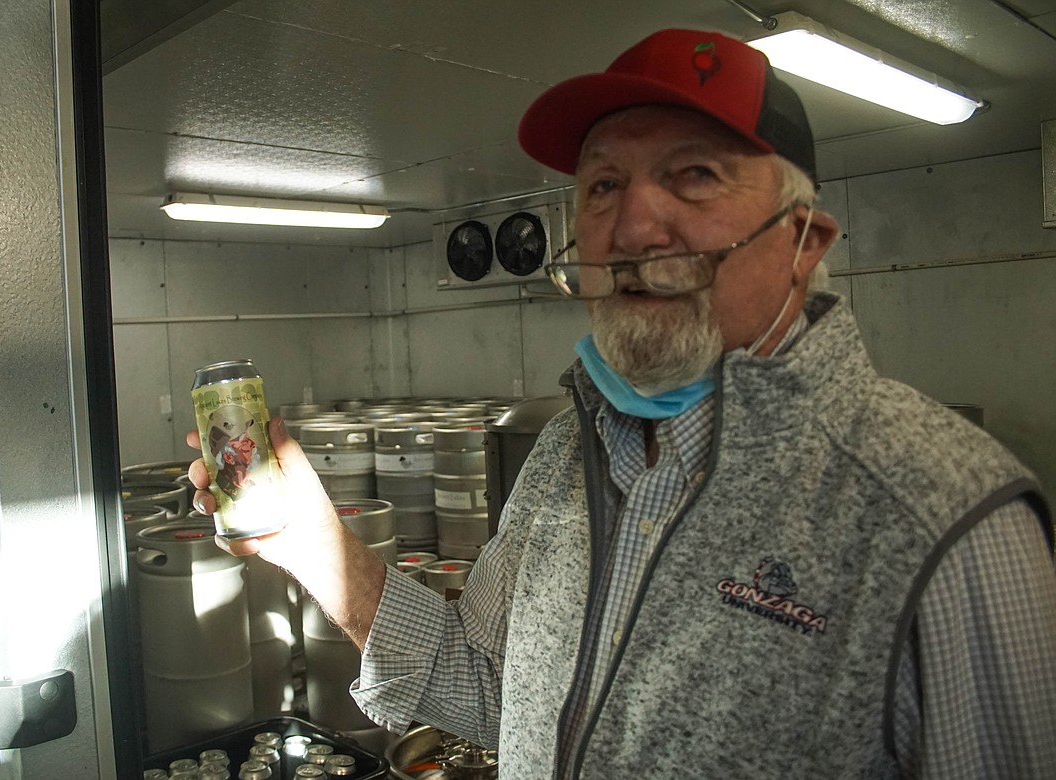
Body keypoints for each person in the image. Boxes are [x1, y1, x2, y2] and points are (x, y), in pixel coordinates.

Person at [188, 28, 1056, 779]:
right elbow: (491, 689)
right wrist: (321, 547)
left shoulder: (944, 520)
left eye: (696, 175)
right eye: (603, 186)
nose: (635, 225)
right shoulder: (571, 457)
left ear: (803, 240)